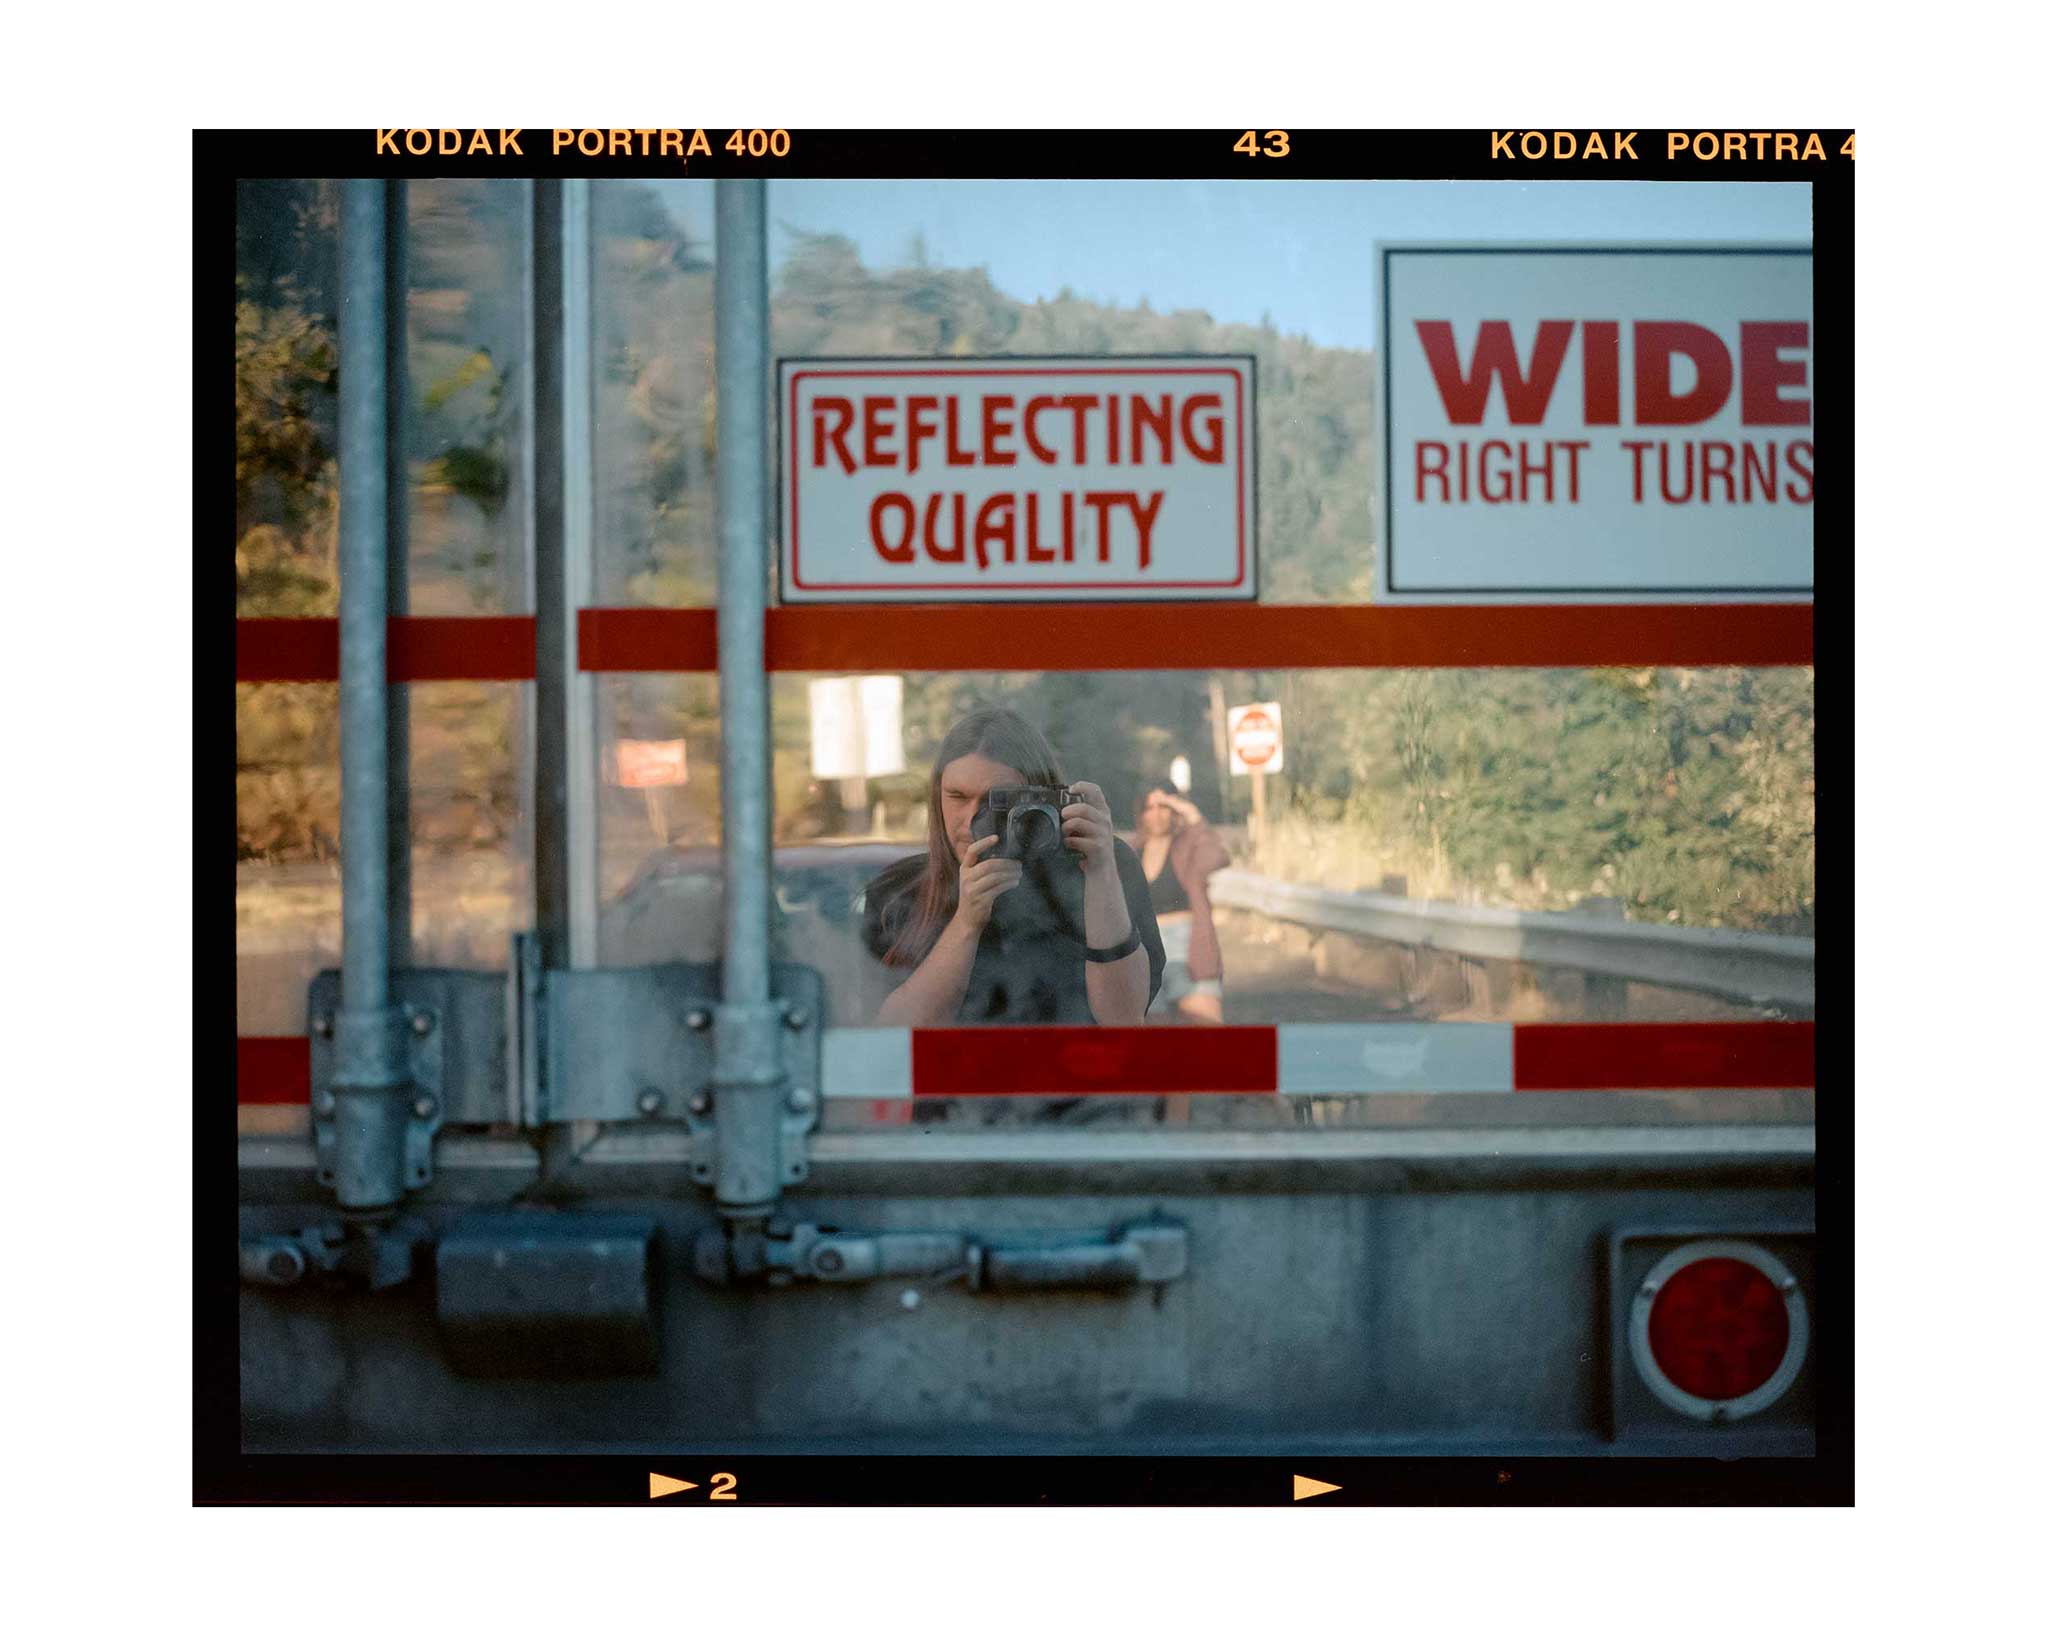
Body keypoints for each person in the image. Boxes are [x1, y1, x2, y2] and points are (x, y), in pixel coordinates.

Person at [862, 708, 1164, 1025]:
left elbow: (1124, 1018)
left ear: (1042, 797)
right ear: (936, 796)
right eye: (957, 796)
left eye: (998, 801)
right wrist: (966, 922)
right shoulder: (900, 890)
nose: (972, 819)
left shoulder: (1098, 866)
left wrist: (1101, 871)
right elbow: (893, 1034)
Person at [1133, 782, 1231, 1023]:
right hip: (1145, 951)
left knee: (1206, 1036)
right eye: (1150, 807)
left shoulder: (1186, 844)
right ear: (1141, 813)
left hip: (1187, 946)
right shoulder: (1133, 851)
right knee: (1158, 1048)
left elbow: (1217, 857)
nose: (1156, 814)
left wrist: (1191, 814)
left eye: (1164, 806)